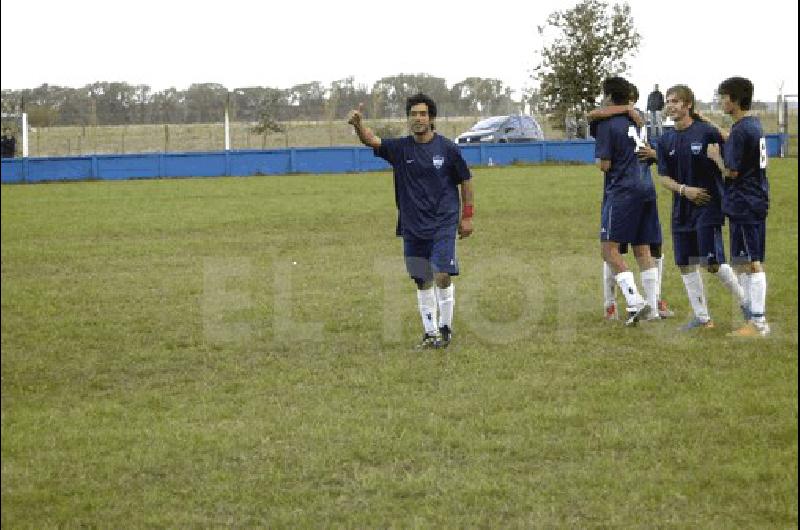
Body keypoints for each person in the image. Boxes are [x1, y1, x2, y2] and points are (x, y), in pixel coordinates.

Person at [347, 93, 474, 349]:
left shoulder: (448, 149)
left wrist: (467, 216)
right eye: (414, 114)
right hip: (412, 224)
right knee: (421, 278)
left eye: (423, 114)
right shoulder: (400, 149)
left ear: (431, 118)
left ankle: (445, 327)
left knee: (441, 273)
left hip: (443, 222)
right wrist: (358, 125)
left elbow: (466, 181)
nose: (418, 118)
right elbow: (371, 140)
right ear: (409, 118)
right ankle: (430, 333)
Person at [655, 84, 747, 331]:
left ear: (688, 105)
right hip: (682, 207)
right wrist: (685, 190)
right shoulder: (665, 139)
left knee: (711, 262)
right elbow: (663, 177)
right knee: (685, 263)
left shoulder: (706, 132)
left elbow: (733, 149)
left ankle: (746, 303)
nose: (670, 105)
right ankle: (702, 317)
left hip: (709, 205)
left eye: (676, 101)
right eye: (668, 101)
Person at [588, 82, 674, 320]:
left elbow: (604, 164)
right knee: (642, 247)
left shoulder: (607, 124)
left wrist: (603, 162)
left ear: (607, 97)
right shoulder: (639, 120)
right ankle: (653, 309)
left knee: (609, 249)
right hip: (646, 187)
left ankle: (634, 300)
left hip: (623, 189)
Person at [706, 77, 771, 337]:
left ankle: (758, 321)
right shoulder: (751, 125)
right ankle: (752, 318)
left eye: (723, 97)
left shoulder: (742, 130)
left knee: (751, 261)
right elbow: (732, 138)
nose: (721, 101)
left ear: (733, 99)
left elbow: (732, 171)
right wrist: (706, 122)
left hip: (744, 201)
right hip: (753, 199)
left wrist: (715, 158)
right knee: (744, 260)